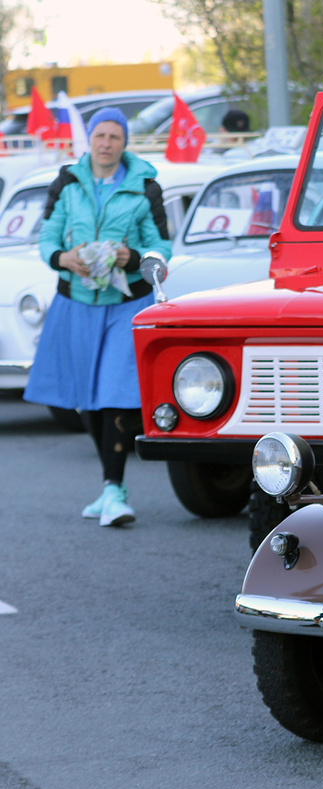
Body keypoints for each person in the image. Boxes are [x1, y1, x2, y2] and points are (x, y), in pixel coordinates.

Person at [24, 107, 172, 528]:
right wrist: (65, 258)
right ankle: (108, 489)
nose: (106, 144)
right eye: (100, 136)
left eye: (115, 137)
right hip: (75, 302)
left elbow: (162, 245)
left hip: (128, 305)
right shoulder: (67, 181)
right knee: (84, 397)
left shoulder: (146, 185)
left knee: (116, 392)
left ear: (125, 143)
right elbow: (48, 237)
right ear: (89, 140)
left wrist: (134, 257)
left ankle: (114, 489)